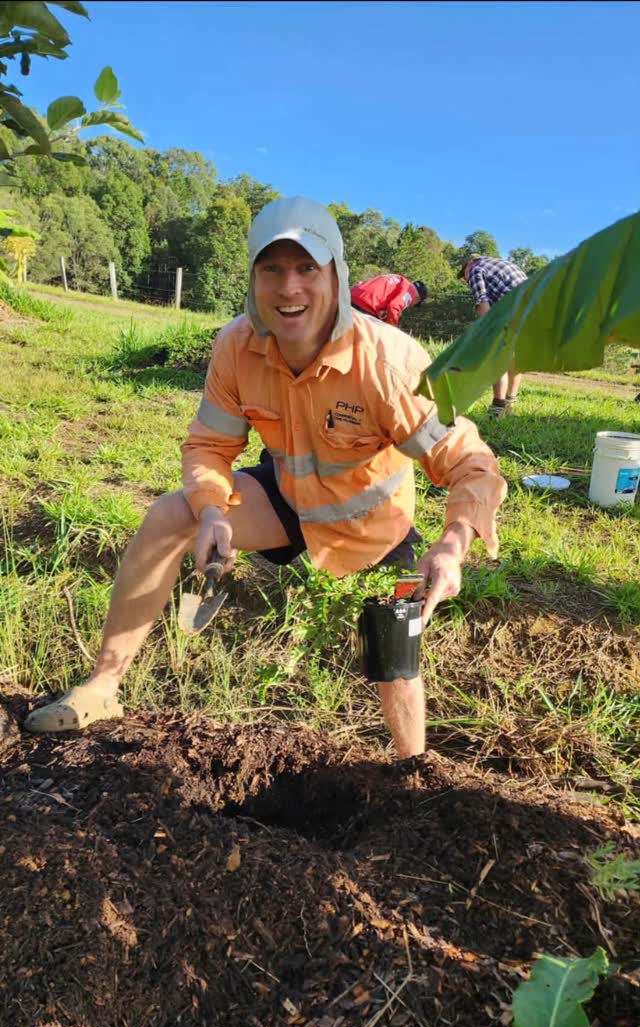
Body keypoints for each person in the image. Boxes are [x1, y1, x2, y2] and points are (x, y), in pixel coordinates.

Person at [25, 197, 507, 758]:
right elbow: (210, 445)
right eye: (271, 269)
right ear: (253, 279)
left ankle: (412, 769)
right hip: (287, 500)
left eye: (307, 268)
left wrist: (453, 543)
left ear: (337, 274)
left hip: (377, 525)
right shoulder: (237, 347)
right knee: (169, 515)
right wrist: (210, 510)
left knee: (395, 654)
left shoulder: (389, 364)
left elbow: (471, 463)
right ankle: (103, 687)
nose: (289, 288)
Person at [460, 254, 527, 417]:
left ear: (468, 265)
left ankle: (497, 409)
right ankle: (509, 404)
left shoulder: (476, 270)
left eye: (463, 275)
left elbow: (483, 306)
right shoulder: (501, 263)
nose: (465, 280)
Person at [351, 274, 427, 327]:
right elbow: (394, 307)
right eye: (415, 304)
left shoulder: (398, 278)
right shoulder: (410, 292)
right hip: (366, 305)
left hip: (353, 296)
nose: (411, 305)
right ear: (418, 299)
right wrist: (392, 330)